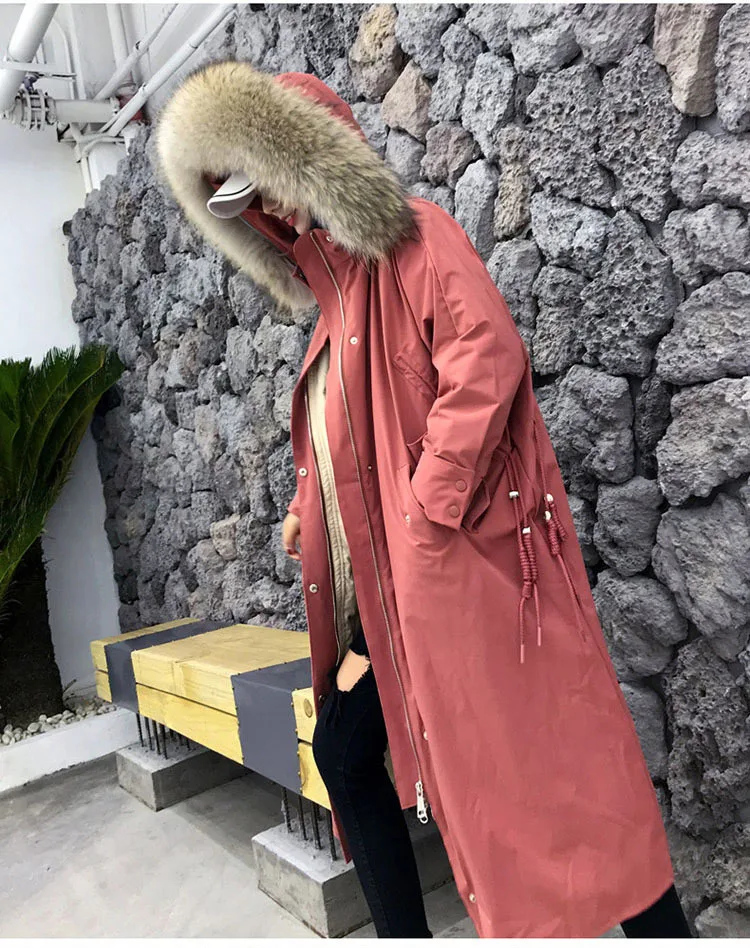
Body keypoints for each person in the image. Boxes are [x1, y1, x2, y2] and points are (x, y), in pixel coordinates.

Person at [155, 60, 694, 939]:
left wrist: (424, 512)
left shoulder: (416, 243)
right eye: (250, 198)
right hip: (399, 594)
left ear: (314, 157)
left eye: (273, 178)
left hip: (463, 574)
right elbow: (351, 441)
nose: (273, 207)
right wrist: (307, 511)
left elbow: (485, 361)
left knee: (566, 776)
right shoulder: (336, 304)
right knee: (366, 750)